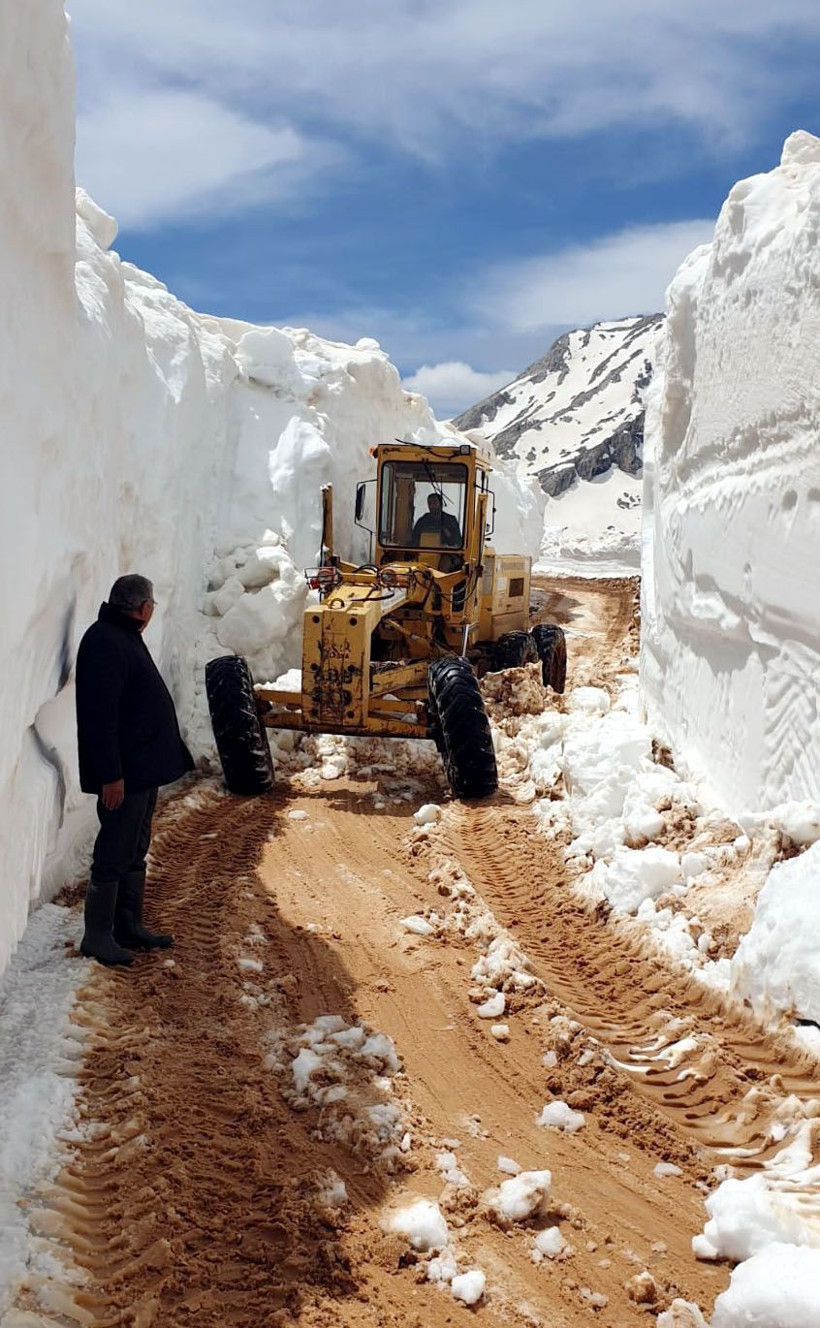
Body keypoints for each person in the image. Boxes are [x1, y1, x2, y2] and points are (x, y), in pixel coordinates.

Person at [75, 574, 193, 966]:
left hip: (141, 770)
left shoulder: (120, 635)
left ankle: (128, 926)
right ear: (144, 608)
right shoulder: (106, 642)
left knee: (134, 849)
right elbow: (99, 717)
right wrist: (110, 774)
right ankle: (97, 936)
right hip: (123, 774)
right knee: (114, 849)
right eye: (152, 605)